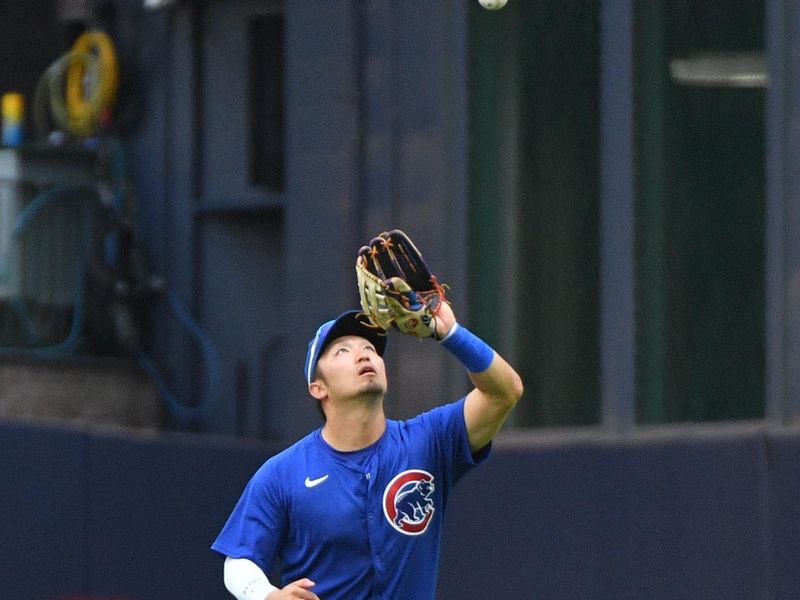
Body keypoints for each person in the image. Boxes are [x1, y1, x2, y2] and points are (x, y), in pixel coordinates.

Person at [211, 299, 523, 599]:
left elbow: (505, 391)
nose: (363, 355)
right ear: (317, 387)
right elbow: (238, 561)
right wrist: (265, 595)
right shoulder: (282, 473)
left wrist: (451, 333)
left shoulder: (429, 441)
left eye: (371, 349)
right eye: (342, 351)